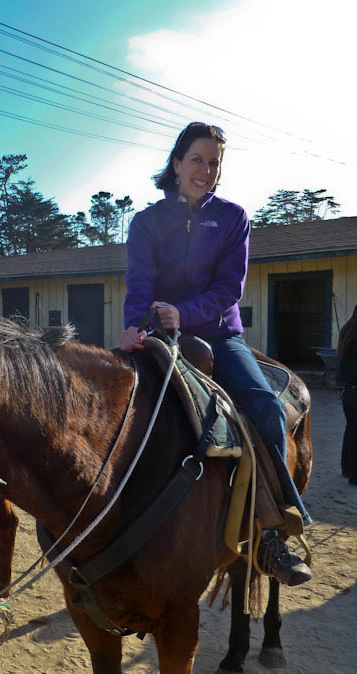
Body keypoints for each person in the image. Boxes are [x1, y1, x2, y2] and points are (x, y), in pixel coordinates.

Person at [119, 122, 312, 586]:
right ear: (176, 163)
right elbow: (139, 282)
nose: (205, 170)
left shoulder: (233, 217)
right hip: (157, 335)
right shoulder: (146, 222)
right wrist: (131, 326)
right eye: (197, 160)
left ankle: (274, 529)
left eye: (214, 163)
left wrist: (181, 313)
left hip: (219, 335)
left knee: (265, 407)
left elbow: (230, 289)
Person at [336, 304, 357, 485]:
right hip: (354, 386)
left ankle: (347, 468)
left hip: (344, 387)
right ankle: (354, 475)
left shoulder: (347, 328)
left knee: (351, 428)